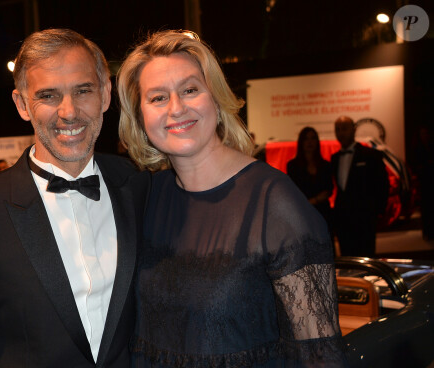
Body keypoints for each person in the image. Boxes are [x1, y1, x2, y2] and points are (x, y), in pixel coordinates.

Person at [117, 30, 346, 367]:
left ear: (217, 99)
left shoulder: (275, 203)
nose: (176, 108)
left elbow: (320, 354)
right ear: (140, 117)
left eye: (190, 90)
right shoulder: (148, 198)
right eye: (157, 98)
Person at [0, 29, 148, 368]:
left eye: (83, 91)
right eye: (49, 96)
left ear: (105, 94)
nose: (69, 112)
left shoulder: (139, 186)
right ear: (22, 104)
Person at [331, 116, 389, 257]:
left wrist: (377, 212)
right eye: (337, 129)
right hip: (343, 219)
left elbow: (382, 184)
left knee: (366, 258)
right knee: (347, 258)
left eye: (344, 128)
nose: (341, 133)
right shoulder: (335, 158)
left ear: (354, 129)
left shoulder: (371, 155)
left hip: (365, 218)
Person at [286, 127, 333, 230]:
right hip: (302, 214)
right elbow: (292, 192)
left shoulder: (326, 165)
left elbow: (328, 190)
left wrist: (312, 201)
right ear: (301, 142)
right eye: (306, 139)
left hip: (323, 214)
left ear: (317, 141)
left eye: (312, 138)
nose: (309, 142)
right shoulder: (292, 166)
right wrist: (314, 200)